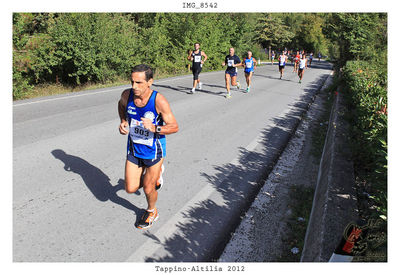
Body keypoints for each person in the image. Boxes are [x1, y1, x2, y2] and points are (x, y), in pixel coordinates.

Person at [118, 64, 179, 229]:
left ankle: (152, 211)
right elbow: (121, 106)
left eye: (139, 83)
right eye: (132, 82)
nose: (134, 86)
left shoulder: (158, 100)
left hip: (154, 150)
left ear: (149, 82)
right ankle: (154, 175)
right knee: (130, 188)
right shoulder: (127, 95)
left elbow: (174, 126)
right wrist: (123, 121)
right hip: (134, 148)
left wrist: (154, 128)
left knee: (147, 187)